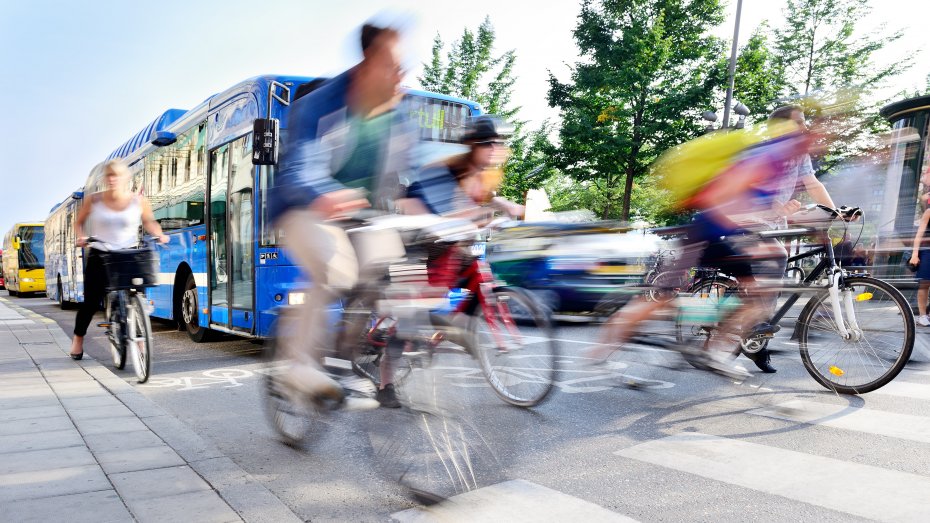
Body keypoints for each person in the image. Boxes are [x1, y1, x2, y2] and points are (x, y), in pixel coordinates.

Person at [268, 21, 418, 408]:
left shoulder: (397, 117)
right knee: (337, 272)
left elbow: (415, 176)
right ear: (368, 64)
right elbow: (299, 168)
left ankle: (350, 360)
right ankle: (296, 366)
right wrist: (327, 193)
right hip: (304, 207)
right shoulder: (319, 104)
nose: (402, 74)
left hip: (362, 214)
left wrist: (434, 208)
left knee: (401, 273)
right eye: (394, 65)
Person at [731, 105, 841, 373]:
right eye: (799, 122)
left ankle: (754, 335)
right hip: (745, 221)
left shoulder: (799, 153)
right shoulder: (762, 153)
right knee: (778, 258)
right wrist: (775, 207)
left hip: (773, 225)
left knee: (775, 276)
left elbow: (812, 183)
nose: (804, 127)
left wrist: (836, 211)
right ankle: (758, 335)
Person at [70, 159, 169, 360]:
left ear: (126, 178)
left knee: (138, 296)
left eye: (117, 175)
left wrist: (159, 234)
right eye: (109, 175)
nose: (113, 179)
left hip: (128, 255)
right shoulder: (94, 200)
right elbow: (79, 222)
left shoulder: (138, 200)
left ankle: (139, 339)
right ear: (105, 179)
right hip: (101, 254)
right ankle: (78, 339)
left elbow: (149, 221)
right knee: (90, 302)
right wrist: (80, 237)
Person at [908, 168, 930, 326]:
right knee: (924, 284)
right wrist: (915, 255)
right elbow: (919, 235)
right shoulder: (928, 212)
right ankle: (923, 316)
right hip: (927, 252)